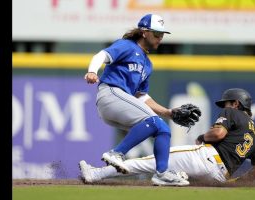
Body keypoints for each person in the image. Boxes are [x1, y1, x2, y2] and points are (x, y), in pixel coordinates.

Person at [83, 13, 194, 186]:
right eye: (156, 34)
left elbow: (141, 96)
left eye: (162, 35)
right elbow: (101, 56)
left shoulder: (148, 64)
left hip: (120, 101)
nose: (160, 38)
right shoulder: (127, 46)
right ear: (144, 32)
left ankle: (162, 173)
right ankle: (116, 153)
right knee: (153, 121)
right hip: (111, 93)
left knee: (162, 129)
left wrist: (168, 113)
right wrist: (92, 71)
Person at [79, 88, 255, 185]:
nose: (225, 106)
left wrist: (202, 136)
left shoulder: (233, 113)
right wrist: (234, 183)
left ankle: (96, 174)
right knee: (173, 179)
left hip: (205, 159)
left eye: (227, 103)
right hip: (219, 177)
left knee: (149, 162)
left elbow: (219, 133)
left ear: (236, 103)